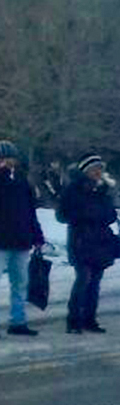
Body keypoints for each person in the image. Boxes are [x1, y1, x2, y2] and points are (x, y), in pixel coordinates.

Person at [59, 155, 118, 335]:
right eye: (94, 169)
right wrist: (87, 214)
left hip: (100, 241)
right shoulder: (74, 189)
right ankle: (74, 320)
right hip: (81, 241)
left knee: (95, 282)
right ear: (86, 171)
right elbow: (62, 215)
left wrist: (106, 197)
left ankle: (89, 319)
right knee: (83, 280)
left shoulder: (102, 191)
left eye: (100, 169)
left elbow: (111, 216)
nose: (98, 172)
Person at [0, 141, 47, 336]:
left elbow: (30, 211)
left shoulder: (21, 182)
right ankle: (17, 321)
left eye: (10, 158)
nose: (8, 162)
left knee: (20, 283)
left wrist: (37, 235)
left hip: (20, 239)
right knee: (17, 282)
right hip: (2, 240)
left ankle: (18, 321)